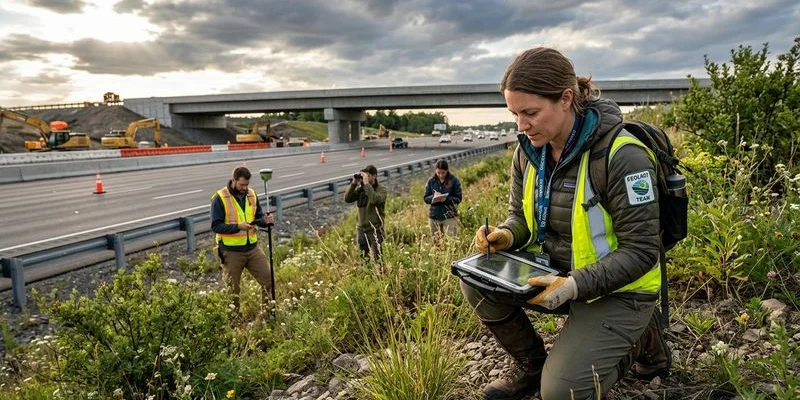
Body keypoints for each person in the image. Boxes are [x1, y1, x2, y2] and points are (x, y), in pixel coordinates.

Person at [463, 47, 671, 400]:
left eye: (530, 113)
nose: (521, 125)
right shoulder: (528, 151)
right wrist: (506, 234)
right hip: (557, 276)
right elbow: (522, 218)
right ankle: (530, 366)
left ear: (566, 99)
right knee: (475, 278)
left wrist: (574, 285)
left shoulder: (623, 156)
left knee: (561, 393)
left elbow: (642, 251)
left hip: (620, 290)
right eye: (514, 113)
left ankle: (640, 338)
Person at [211, 166, 275, 314]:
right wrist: (237, 227)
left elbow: (257, 217)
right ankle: (235, 324)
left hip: (252, 248)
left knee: (268, 279)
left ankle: (265, 314)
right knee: (233, 291)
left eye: (247, 184)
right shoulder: (220, 197)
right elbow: (216, 226)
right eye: (242, 185)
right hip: (231, 251)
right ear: (233, 180)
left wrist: (266, 220)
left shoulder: (251, 194)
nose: (245, 188)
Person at [344, 164, 387, 262]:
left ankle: (381, 275)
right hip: (361, 230)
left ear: (374, 176)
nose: (364, 178)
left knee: (378, 259)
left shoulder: (381, 189)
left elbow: (374, 200)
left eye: (367, 176)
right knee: (363, 259)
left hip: (375, 230)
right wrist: (354, 183)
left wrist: (367, 184)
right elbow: (347, 199)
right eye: (364, 176)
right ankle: (366, 274)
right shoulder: (361, 189)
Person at [423, 159, 463, 240]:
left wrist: (446, 199)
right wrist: (433, 197)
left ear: (447, 171)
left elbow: (458, 198)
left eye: (443, 173)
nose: (441, 175)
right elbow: (426, 198)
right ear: (435, 171)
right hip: (434, 216)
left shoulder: (454, 181)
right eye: (438, 173)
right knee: (436, 242)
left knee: (452, 241)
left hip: (449, 216)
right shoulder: (431, 181)